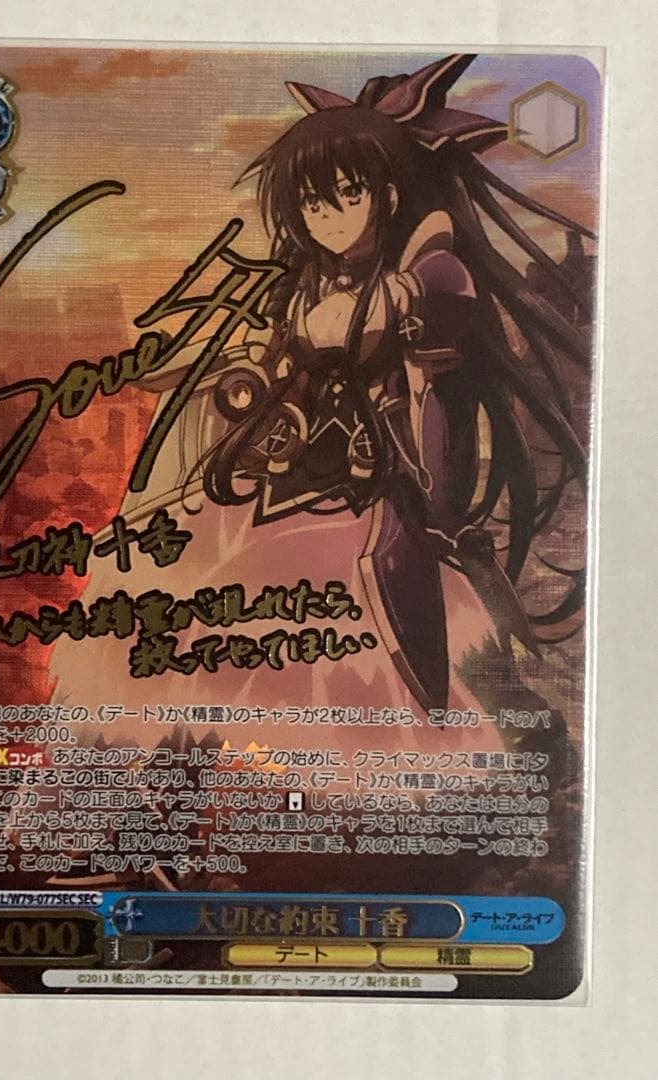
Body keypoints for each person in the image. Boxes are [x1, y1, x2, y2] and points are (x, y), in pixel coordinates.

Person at [50, 53, 591, 737]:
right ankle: (188, 750)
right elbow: (273, 356)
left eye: (345, 195)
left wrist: (378, 318)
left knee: (377, 614)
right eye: (311, 202)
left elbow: (416, 355)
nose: (326, 216)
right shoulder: (303, 281)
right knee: (180, 574)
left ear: (386, 195)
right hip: (290, 472)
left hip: (383, 485)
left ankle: (504, 728)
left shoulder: (431, 267)